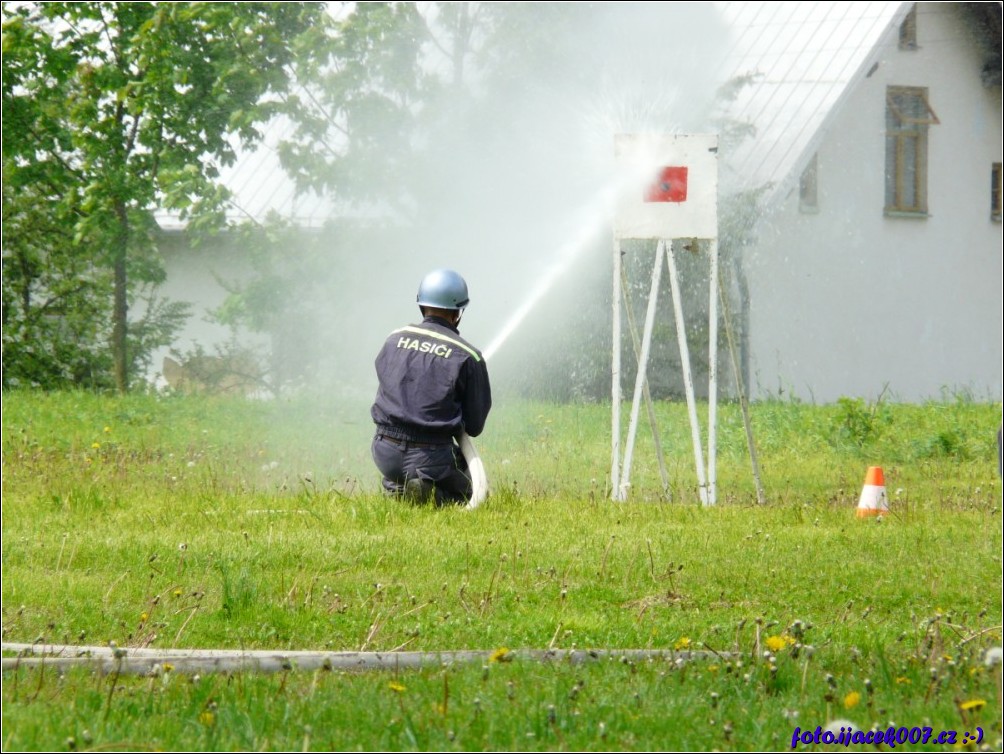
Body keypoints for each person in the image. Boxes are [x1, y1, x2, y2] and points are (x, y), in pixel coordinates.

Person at [370, 269, 492, 505]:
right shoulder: (468, 356)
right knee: (467, 492)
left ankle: (399, 487)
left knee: (404, 480)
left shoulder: (394, 339)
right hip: (430, 456)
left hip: (383, 450)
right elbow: (475, 426)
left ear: (421, 304)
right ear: (458, 312)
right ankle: (430, 492)